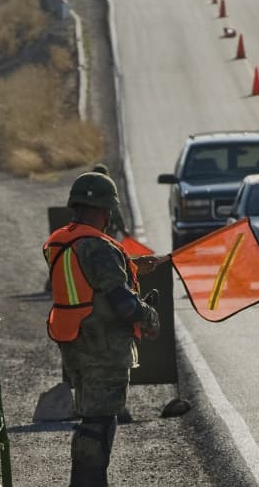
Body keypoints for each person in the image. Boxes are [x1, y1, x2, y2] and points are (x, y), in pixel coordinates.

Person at [43, 172, 166, 487]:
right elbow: (123, 303)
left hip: (76, 345)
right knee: (98, 424)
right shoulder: (99, 247)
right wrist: (149, 317)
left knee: (91, 420)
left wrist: (133, 264)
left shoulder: (63, 240)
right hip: (103, 347)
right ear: (105, 210)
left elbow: (90, 276)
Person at [89, 163, 128, 238]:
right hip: (105, 232)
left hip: (88, 230)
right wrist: (122, 229)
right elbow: (114, 212)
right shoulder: (107, 190)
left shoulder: (87, 189)